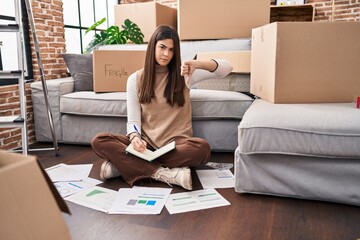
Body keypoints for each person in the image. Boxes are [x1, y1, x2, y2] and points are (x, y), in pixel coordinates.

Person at [91, 25, 232, 190]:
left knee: (202, 149)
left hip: (177, 145)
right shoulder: (135, 79)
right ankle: (163, 173)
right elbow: (134, 121)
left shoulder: (184, 74)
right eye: (162, 47)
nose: (166, 54)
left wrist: (197, 63)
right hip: (146, 145)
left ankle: (122, 167)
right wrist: (135, 137)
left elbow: (227, 68)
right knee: (99, 141)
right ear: (153, 47)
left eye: (171, 50)